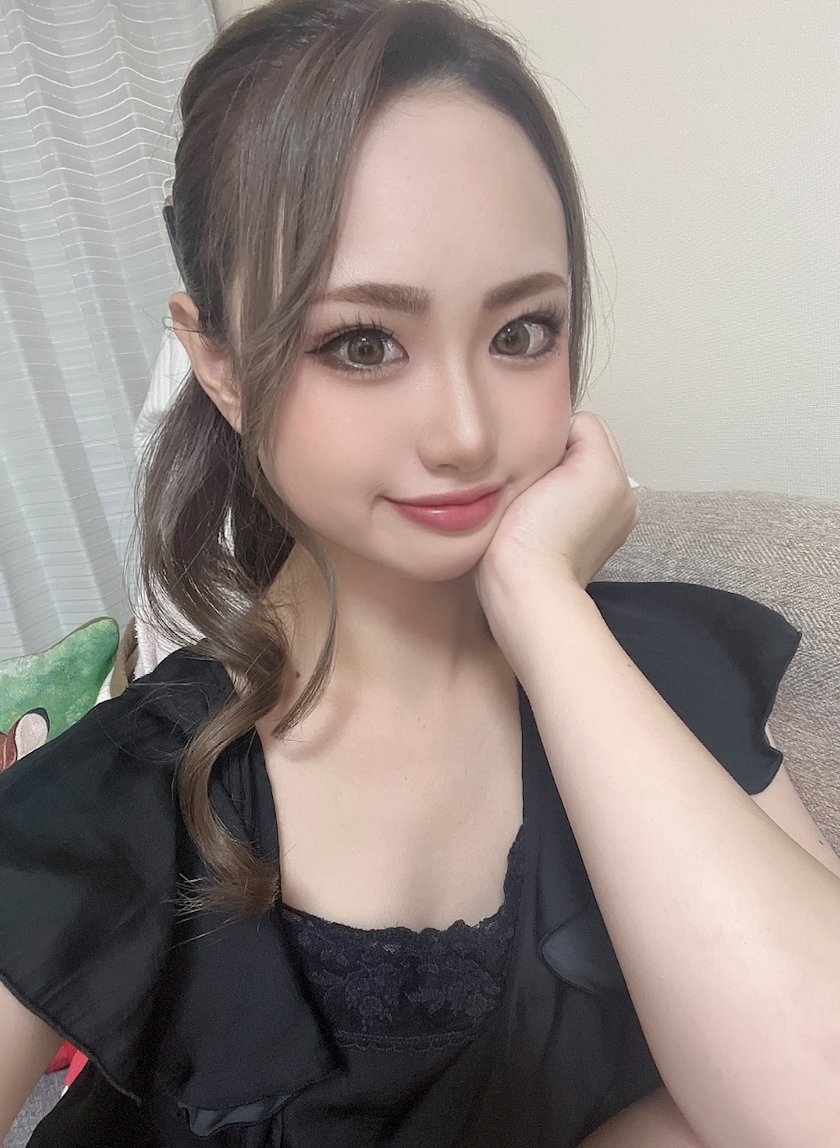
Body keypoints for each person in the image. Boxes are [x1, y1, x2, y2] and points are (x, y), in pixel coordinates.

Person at [1, 1, 839, 1144]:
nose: (465, 431)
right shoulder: (117, 799)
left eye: (521, 332)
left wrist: (542, 600)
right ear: (220, 363)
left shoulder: (656, 675)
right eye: (363, 342)